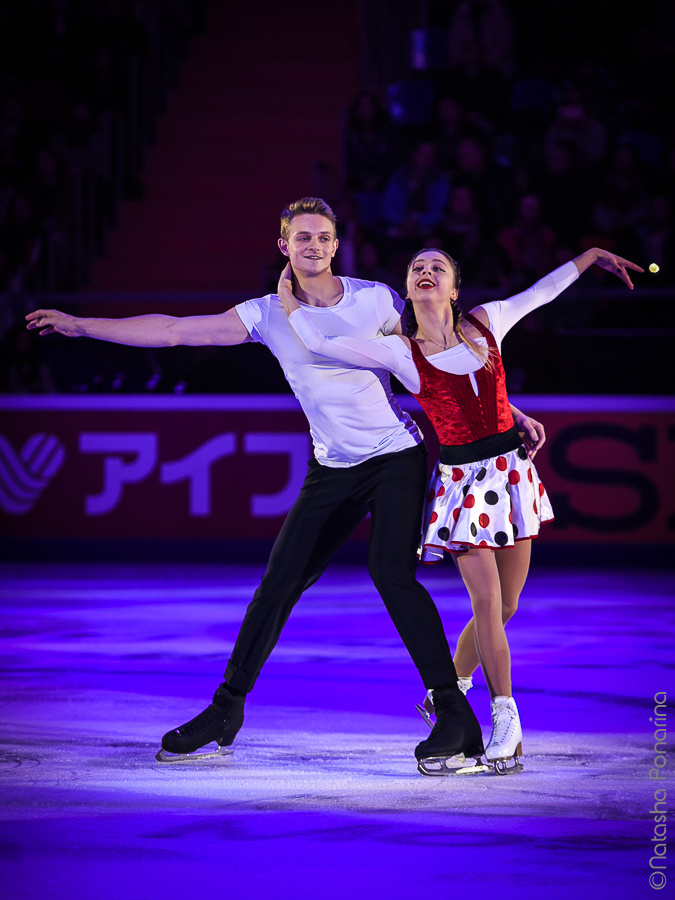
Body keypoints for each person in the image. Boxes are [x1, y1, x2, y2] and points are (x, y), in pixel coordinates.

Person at [26, 197, 544, 775]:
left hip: (396, 456)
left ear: (336, 243)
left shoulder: (377, 299)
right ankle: (225, 711)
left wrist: (507, 411)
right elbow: (174, 332)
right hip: (331, 468)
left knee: (391, 574)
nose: (314, 246)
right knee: (278, 584)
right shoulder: (266, 313)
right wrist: (80, 325)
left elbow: (441, 354)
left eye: (323, 236)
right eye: (302, 237)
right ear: (284, 246)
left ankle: (453, 713)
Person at [275, 242, 642, 773]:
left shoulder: (486, 322)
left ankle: (450, 688)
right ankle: (505, 716)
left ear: (454, 287)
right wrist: (289, 300)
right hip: (462, 486)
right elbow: (320, 340)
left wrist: (590, 258)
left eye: (438, 268)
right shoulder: (401, 352)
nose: (427, 272)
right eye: (417, 269)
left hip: (511, 474)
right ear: (407, 290)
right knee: (488, 604)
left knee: (508, 604)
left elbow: (539, 294)